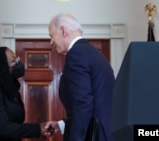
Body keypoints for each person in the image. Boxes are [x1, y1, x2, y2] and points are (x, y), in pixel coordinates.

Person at [46, 13, 115, 141]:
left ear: (63, 30)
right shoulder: (93, 54)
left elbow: (82, 104)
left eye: (51, 36)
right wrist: (61, 125)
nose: (51, 42)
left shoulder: (76, 54)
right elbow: (92, 104)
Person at [0, 47, 51, 141]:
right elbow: (2, 127)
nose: (18, 63)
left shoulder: (9, 89)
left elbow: (14, 123)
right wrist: (38, 129)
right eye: (13, 61)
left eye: (17, 59)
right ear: (1, 66)